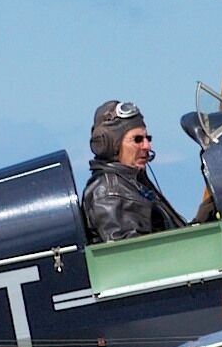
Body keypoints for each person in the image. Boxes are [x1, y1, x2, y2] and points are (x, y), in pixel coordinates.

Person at [81, 99, 189, 242]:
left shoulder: (134, 184)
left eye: (147, 138)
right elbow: (132, 251)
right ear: (109, 145)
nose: (147, 146)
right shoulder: (110, 193)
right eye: (137, 139)